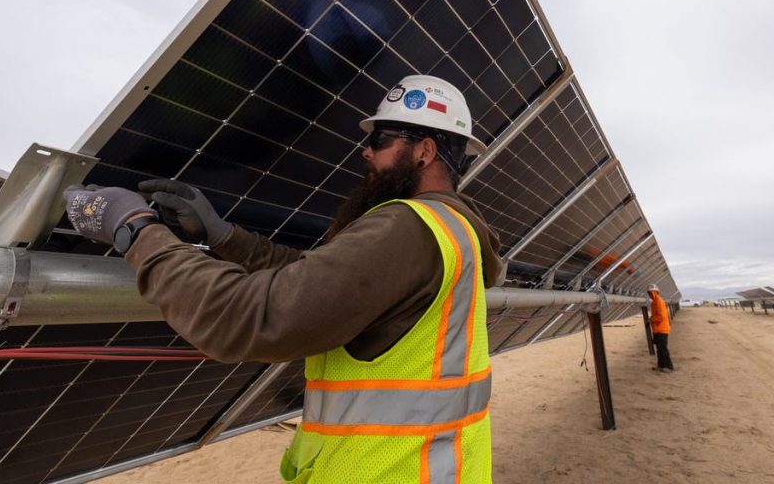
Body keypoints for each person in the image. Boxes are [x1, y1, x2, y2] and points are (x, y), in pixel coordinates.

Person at [63, 75, 502, 483]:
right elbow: (315, 278)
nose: (366, 151)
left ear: (424, 151)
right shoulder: (453, 231)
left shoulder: (407, 228)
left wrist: (135, 228)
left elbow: (254, 317)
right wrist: (224, 237)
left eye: (379, 139)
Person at [647, 284, 674, 373]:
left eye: (650, 293)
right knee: (659, 349)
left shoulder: (659, 301)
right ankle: (661, 365)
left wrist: (652, 319)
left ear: (655, 293)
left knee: (663, 348)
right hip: (657, 329)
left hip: (662, 329)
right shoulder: (654, 302)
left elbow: (661, 317)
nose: (649, 295)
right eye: (649, 293)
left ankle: (669, 367)